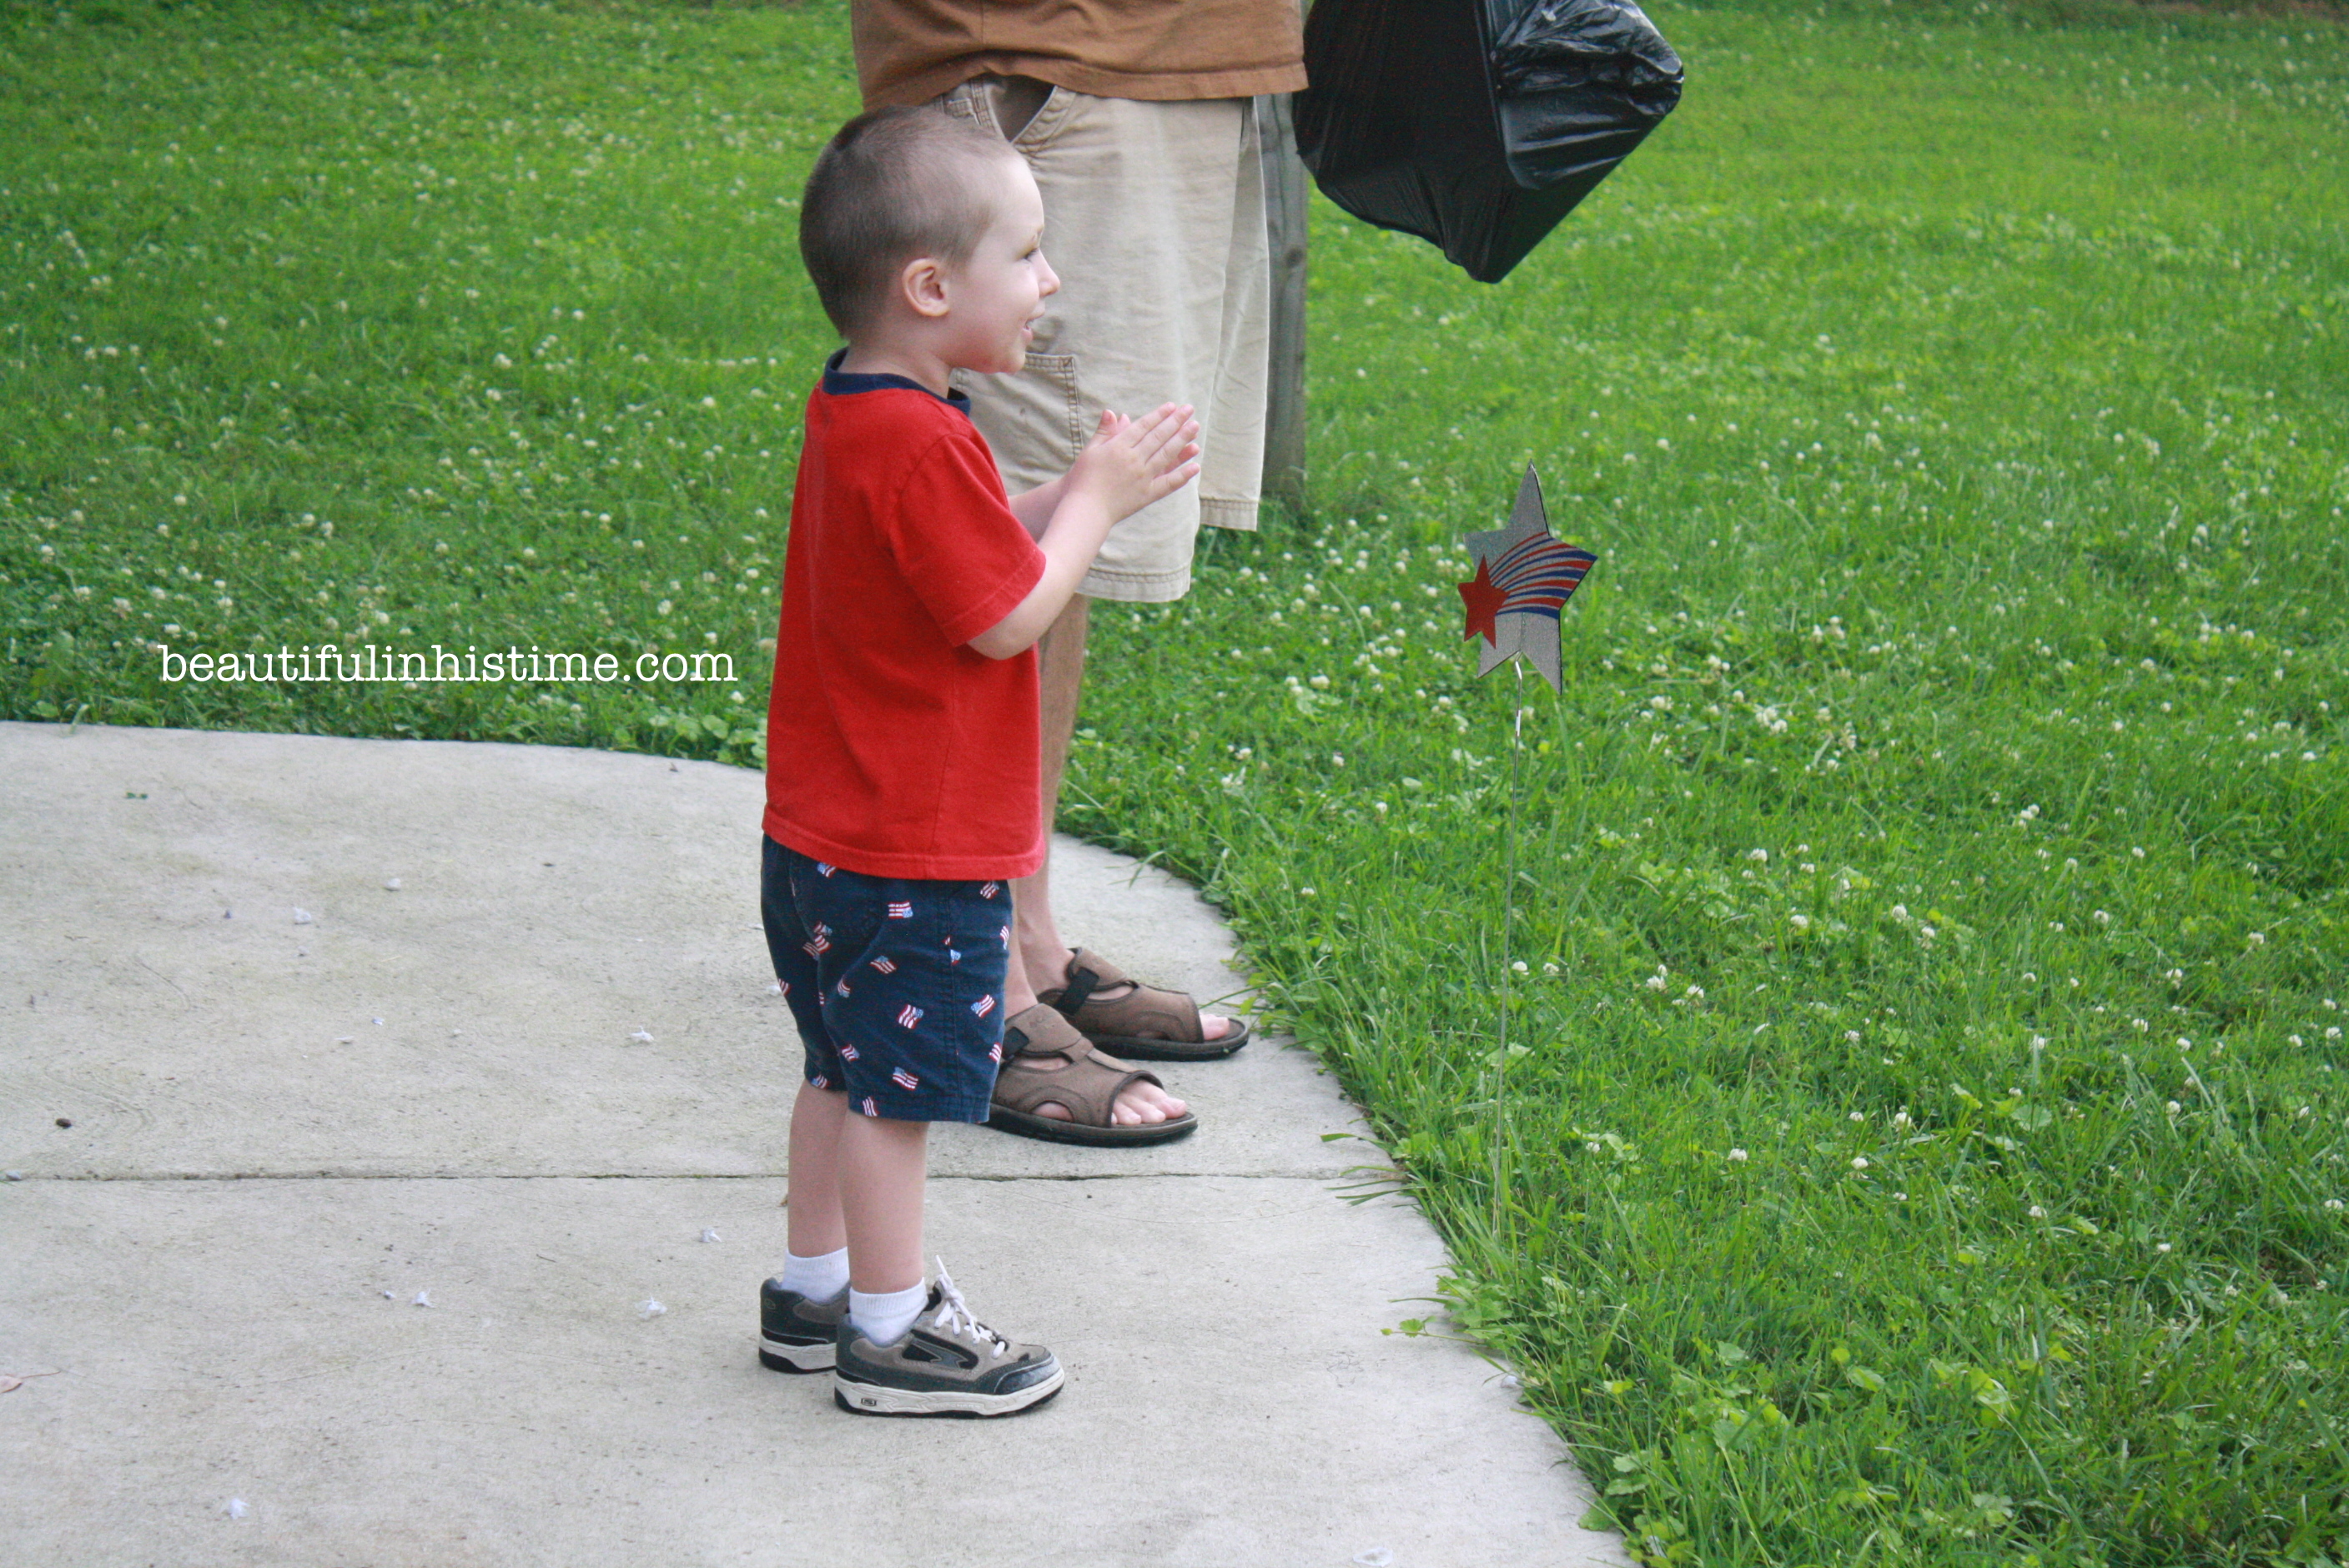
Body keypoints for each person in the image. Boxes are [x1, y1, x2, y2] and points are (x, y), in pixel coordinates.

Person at [754, 107, 1204, 1417]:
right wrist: (1100, 510)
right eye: (1028, 252)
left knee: (836, 1069)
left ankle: (813, 1292)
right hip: (914, 851)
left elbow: (961, 549)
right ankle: (897, 1338)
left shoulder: (865, 406)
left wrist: (1070, 491)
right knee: (895, 1100)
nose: (1049, 280)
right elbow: (1007, 612)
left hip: (821, 839)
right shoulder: (923, 434)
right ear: (933, 287)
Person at [848, 0, 1307, 1136]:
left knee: (1059, 546)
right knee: (999, 554)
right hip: (1052, 58)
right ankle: (974, 988)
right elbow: (985, 601)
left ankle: (1026, 942)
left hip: (1176, 65)